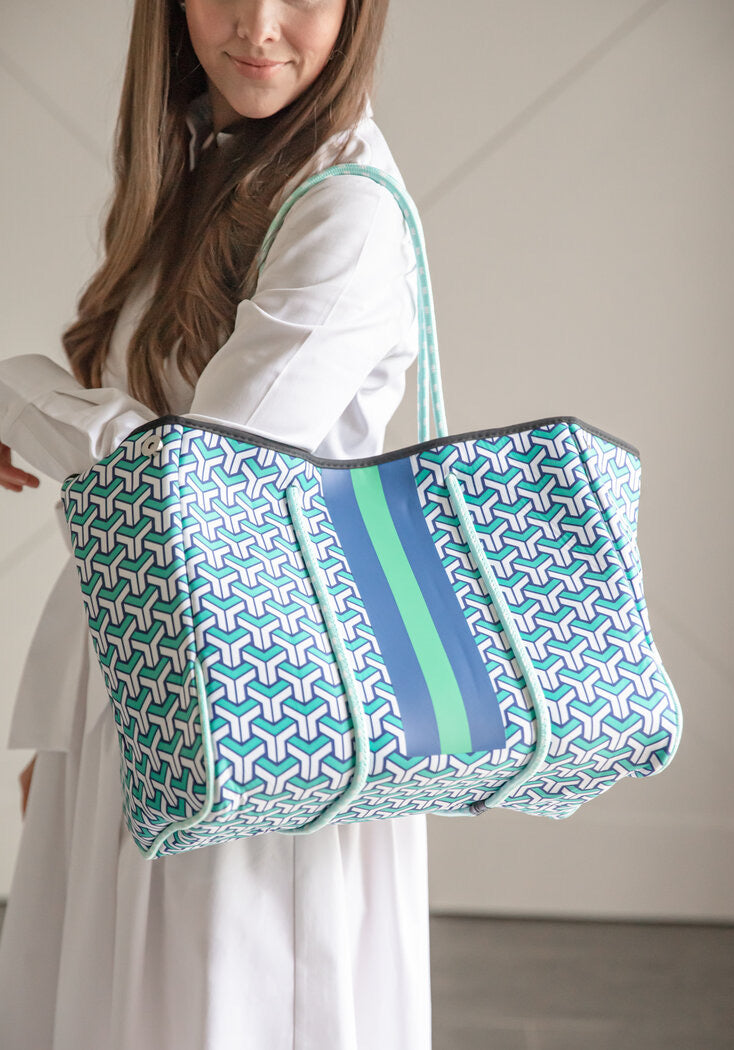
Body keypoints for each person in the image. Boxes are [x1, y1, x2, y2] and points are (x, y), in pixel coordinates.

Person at [0, 1, 431, 1047]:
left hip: (261, 707)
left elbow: (202, 483)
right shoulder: (207, 161)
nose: (259, 25)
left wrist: (21, 396)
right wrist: (79, 725)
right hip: (154, 670)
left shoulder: (345, 210)